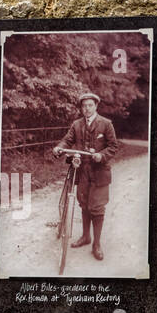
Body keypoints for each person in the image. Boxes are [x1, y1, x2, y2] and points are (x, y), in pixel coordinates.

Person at [53, 91, 119, 261]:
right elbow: (67, 141)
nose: (87, 108)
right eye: (84, 106)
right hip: (82, 170)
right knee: (84, 204)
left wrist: (101, 155)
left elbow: (113, 147)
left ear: (96, 106)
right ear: (81, 108)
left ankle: (96, 244)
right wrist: (59, 147)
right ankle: (85, 236)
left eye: (90, 105)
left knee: (97, 207)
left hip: (100, 172)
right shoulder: (76, 125)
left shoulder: (106, 124)